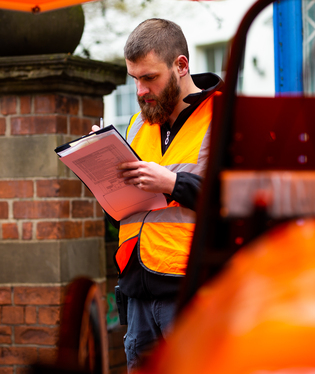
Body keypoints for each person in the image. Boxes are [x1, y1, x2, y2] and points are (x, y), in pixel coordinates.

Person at [92, 18, 223, 371]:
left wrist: (171, 183)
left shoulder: (224, 117)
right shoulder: (137, 124)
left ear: (181, 66)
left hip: (192, 291)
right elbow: (124, 210)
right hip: (137, 291)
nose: (140, 91)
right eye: (135, 78)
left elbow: (235, 197)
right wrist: (100, 168)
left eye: (149, 78)